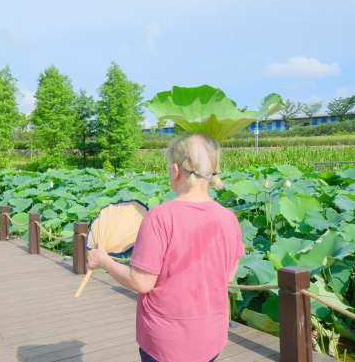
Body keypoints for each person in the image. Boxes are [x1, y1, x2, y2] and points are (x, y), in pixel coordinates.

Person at [88, 133, 244, 362]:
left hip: (166, 343)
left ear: (175, 170)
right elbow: (228, 274)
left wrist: (104, 260)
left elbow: (141, 282)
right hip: (211, 338)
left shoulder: (160, 217)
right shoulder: (228, 218)